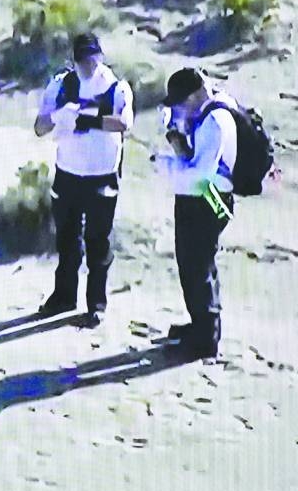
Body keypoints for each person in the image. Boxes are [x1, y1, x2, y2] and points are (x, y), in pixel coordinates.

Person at [33, 33, 134, 328]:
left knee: (98, 241)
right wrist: (59, 117)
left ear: (100, 56)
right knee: (66, 239)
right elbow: (40, 127)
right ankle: (64, 296)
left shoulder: (116, 88)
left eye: (92, 58)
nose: (87, 64)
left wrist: (86, 121)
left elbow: (125, 123)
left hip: (101, 174)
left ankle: (96, 304)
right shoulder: (61, 84)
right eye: (82, 59)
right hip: (68, 172)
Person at [153, 68, 238, 359]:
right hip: (202, 197)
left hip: (207, 199)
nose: (180, 106)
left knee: (198, 266)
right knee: (193, 265)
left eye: (182, 100)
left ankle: (206, 338)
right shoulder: (211, 111)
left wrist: (166, 165)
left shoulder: (214, 121)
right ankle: (200, 326)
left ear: (197, 92)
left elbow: (200, 175)